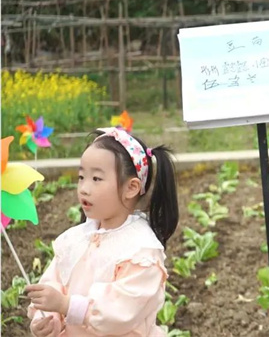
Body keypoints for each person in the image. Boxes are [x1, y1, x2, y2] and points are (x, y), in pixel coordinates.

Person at [25, 127, 179, 336]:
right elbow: (55, 283)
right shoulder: (75, 239)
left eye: (96, 179)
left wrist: (66, 305)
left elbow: (120, 312)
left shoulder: (141, 251)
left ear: (131, 188)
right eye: (81, 177)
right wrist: (48, 318)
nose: (84, 188)